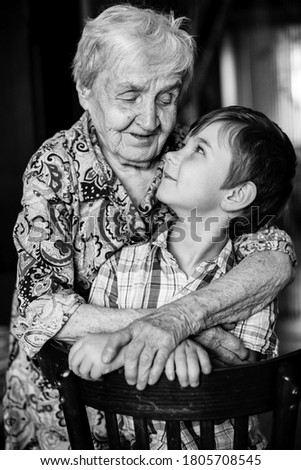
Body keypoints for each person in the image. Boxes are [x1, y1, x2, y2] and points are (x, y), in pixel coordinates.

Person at [3, 5, 295, 450]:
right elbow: (38, 309)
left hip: (182, 423)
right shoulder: (55, 167)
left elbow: (274, 254)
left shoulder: (186, 156)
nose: (151, 120)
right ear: (86, 90)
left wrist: (179, 320)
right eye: (129, 95)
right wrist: (173, 327)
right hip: (70, 406)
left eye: (166, 96)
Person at [69, 105, 296, 449]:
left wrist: (169, 347)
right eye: (184, 145)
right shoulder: (119, 268)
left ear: (235, 195)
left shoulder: (249, 287)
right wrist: (173, 346)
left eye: (198, 150)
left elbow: (243, 380)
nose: (172, 155)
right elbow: (86, 362)